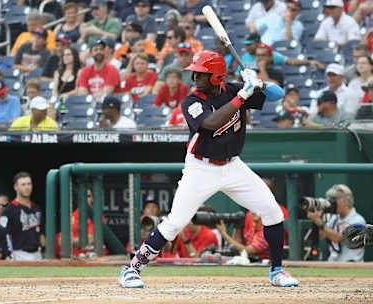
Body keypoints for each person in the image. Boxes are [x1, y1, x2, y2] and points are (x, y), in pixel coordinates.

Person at [119, 50, 298, 288]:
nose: (194, 79)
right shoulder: (192, 101)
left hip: (233, 166)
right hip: (200, 168)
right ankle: (132, 269)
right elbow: (210, 124)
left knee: (273, 213)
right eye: (194, 73)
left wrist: (259, 83)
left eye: (201, 74)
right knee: (174, 223)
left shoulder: (234, 89)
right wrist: (244, 94)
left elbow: (278, 95)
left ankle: (277, 270)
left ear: (216, 77)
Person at [307, 184, 366, 262]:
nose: (331, 203)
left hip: (351, 265)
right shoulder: (335, 218)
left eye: (334, 199)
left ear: (345, 201)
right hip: (333, 263)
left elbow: (338, 238)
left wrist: (319, 221)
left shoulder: (358, 220)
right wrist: (318, 217)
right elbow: (322, 236)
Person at [0, 172, 45, 261]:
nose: (27, 187)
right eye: (23, 185)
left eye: (29, 184)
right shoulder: (9, 210)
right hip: (19, 254)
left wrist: (44, 251)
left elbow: (41, 233)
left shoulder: (36, 208)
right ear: (16, 187)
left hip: (37, 253)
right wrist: (10, 254)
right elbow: (4, 235)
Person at [237, 32, 323, 73]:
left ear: (258, 43)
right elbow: (237, 74)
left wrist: (308, 62)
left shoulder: (268, 55)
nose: (247, 47)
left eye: (250, 44)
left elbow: (290, 61)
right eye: (246, 45)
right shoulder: (244, 57)